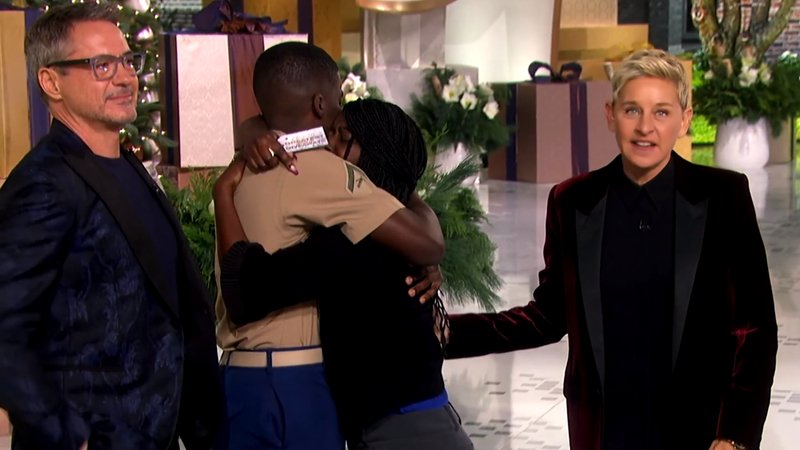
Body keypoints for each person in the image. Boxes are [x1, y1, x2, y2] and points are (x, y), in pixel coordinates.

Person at [443, 49, 777, 450]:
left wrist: (735, 435)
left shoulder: (724, 197)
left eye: (662, 112)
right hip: (605, 432)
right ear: (610, 115)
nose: (645, 127)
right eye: (632, 110)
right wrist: (442, 332)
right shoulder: (573, 201)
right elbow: (547, 317)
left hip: (699, 433)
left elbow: (755, 329)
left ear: (685, 119)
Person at [0, 3, 223, 450]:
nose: (125, 78)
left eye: (127, 61)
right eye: (102, 65)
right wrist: (66, 437)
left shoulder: (126, 164)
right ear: (51, 81)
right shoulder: (45, 183)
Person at [213, 43, 445, 450]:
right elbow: (427, 244)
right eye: (338, 98)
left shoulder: (246, 164)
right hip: (297, 380)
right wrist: (408, 196)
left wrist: (239, 154)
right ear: (320, 103)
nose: (340, 110)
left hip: (235, 377)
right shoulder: (324, 171)